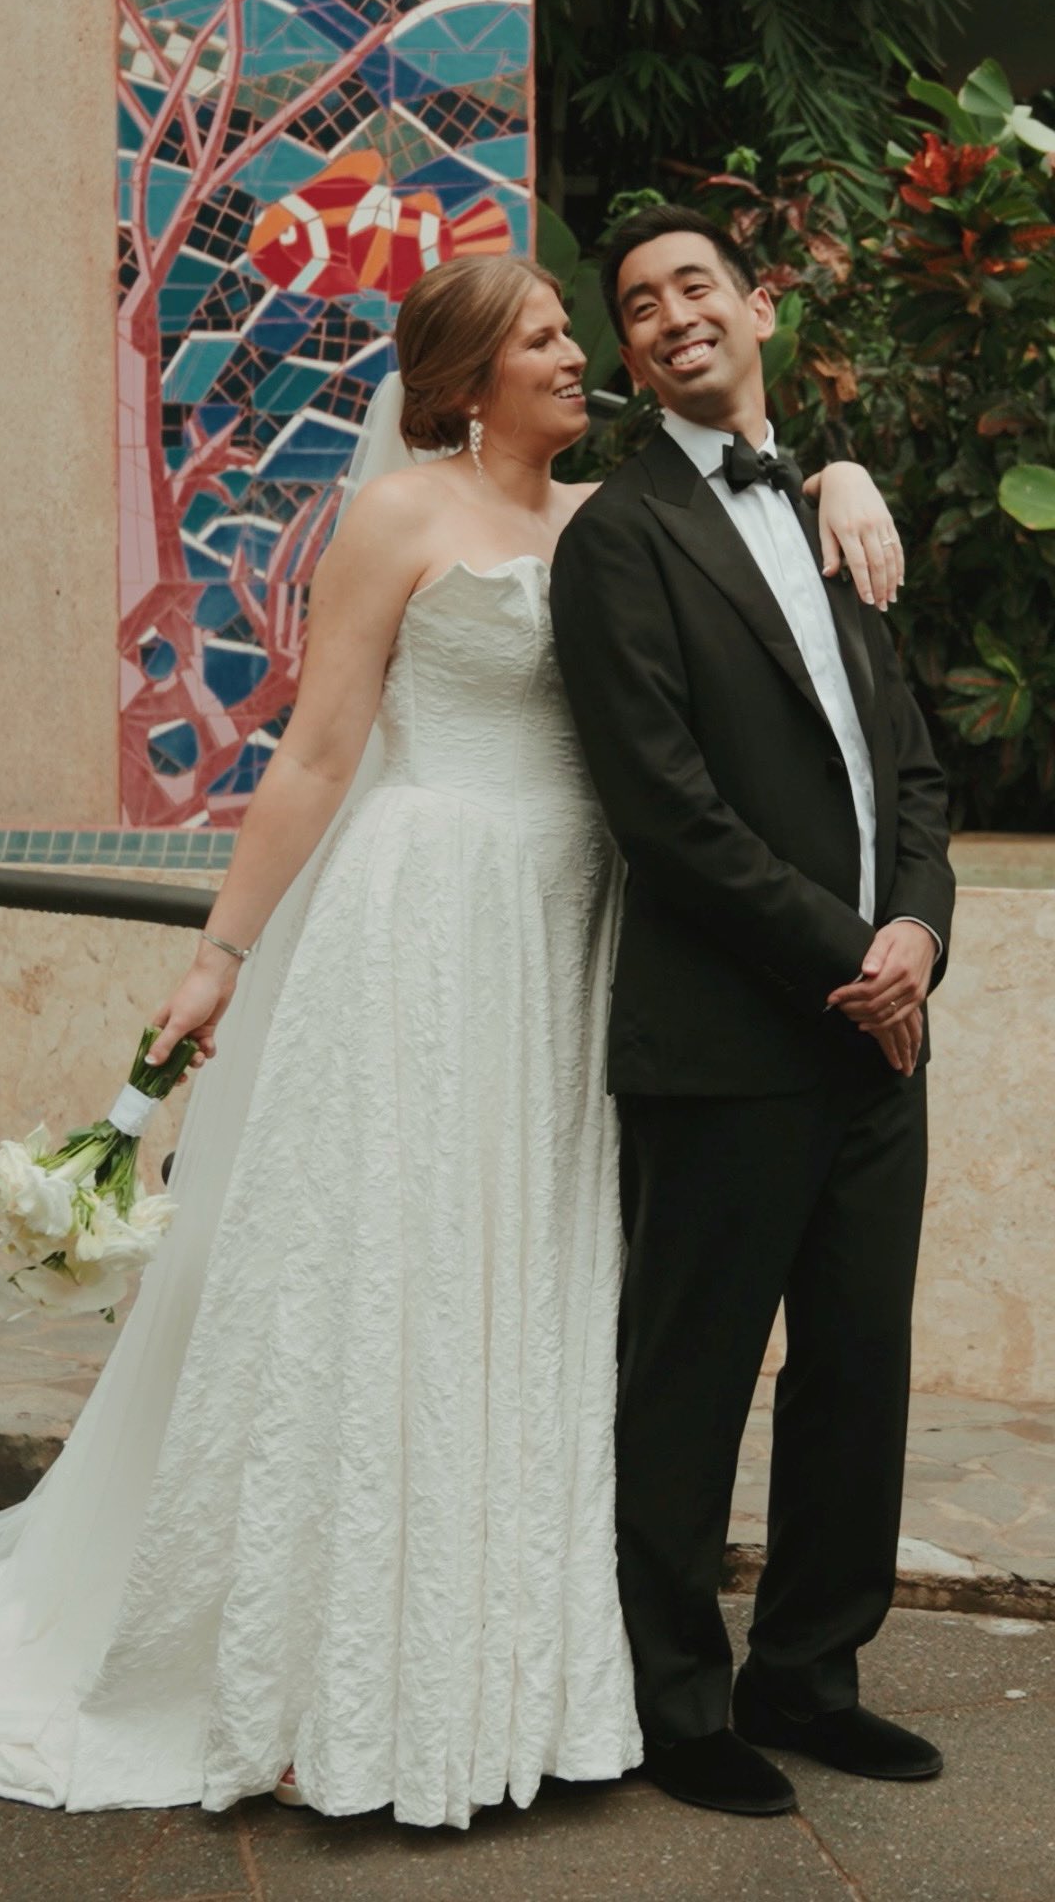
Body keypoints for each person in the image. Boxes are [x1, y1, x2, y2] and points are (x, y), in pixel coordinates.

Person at [0, 253, 907, 1831]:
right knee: (395, 1273)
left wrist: (840, 465)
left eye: (568, 336)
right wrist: (220, 957)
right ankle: (327, 1662)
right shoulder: (403, 516)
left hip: (578, 938)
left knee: (536, 1291)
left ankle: (516, 1670)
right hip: (426, 921)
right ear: (467, 377)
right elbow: (322, 749)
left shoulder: (610, 514)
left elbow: (730, 513)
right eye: (547, 339)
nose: (578, 360)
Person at [549, 205, 955, 1819]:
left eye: (694, 286)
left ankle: (813, 1673)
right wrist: (851, 959)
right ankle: (679, 1702)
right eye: (638, 306)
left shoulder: (834, 508)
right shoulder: (621, 538)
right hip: (727, 1037)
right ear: (632, 350)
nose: (668, 318)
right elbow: (666, 811)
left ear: (759, 306)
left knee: (860, 1369)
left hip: (883, 1033)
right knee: (693, 1377)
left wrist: (919, 928)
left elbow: (909, 766)